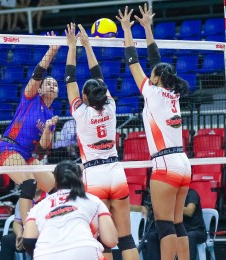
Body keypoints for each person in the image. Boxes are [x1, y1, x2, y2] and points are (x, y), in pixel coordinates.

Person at [117, 4, 191, 260]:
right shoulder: (173, 92)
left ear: (156, 78)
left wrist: (127, 30)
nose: (149, 73)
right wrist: (147, 27)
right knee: (178, 222)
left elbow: (132, 60)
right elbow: (155, 59)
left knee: (164, 224)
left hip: (166, 163)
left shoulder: (151, 90)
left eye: (152, 74)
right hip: (183, 162)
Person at [64, 23, 140, 259]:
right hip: (115, 171)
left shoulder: (81, 112)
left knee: (103, 241)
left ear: (84, 97)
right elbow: (98, 77)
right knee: (126, 238)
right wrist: (88, 46)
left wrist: (72, 45)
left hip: (94, 176)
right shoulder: (111, 107)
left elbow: (69, 77)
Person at [0, 32, 60, 222]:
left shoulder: (51, 116)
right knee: (29, 183)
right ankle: (26, 227)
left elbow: (41, 149)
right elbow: (38, 74)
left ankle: (58, 219)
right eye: (48, 83)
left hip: (28, 156)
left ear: (57, 94)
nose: (51, 86)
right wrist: (52, 51)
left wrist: (48, 129)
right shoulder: (30, 98)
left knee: (57, 189)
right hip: (9, 147)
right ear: (40, 88)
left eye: (55, 85)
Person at [22, 160, 118, 259]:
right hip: (83, 250)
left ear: (55, 181)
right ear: (81, 178)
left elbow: (28, 240)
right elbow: (111, 240)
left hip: (45, 254)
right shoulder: (93, 200)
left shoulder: (40, 206)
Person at [145, 188, 207, 260]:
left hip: (195, 230)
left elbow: (190, 211)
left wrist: (170, 206)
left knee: (189, 236)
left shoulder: (191, 193)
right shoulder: (169, 196)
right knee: (152, 236)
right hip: (176, 230)